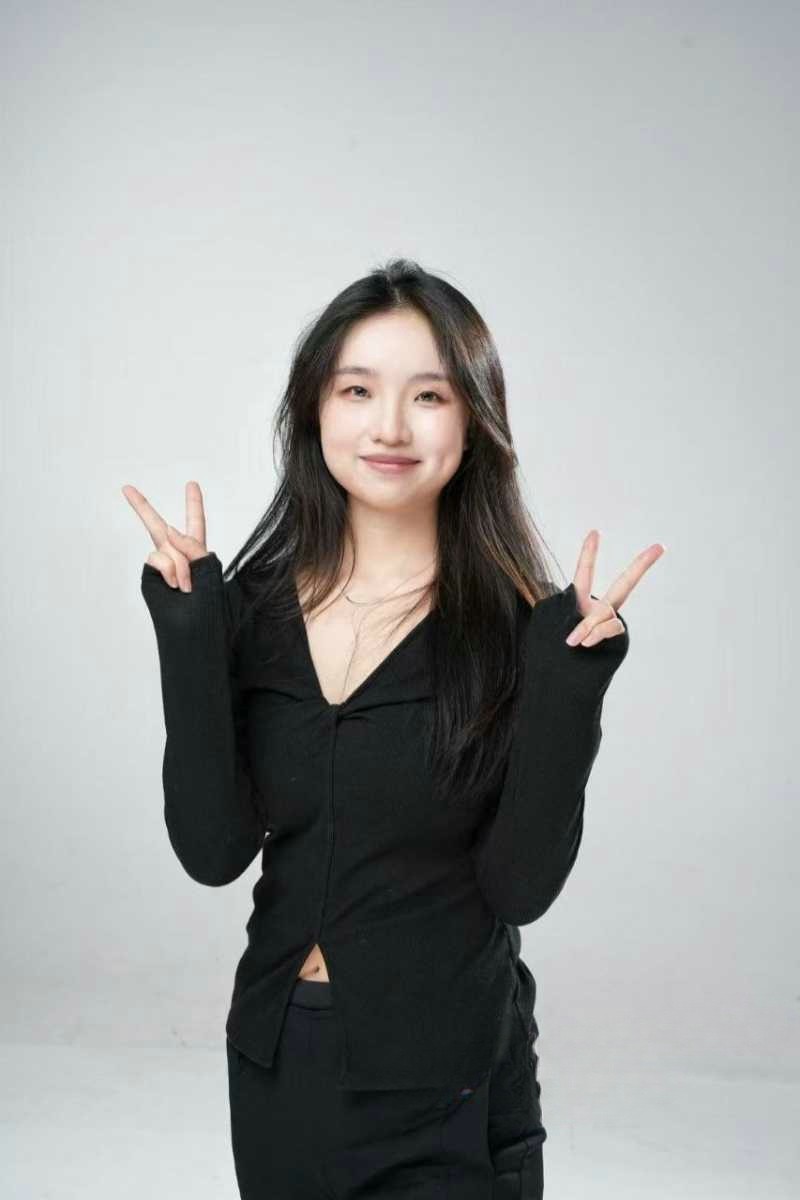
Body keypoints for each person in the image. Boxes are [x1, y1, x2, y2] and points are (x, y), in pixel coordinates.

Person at [123, 258, 662, 1198]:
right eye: (358, 390)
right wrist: (190, 634)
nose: (390, 427)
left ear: (475, 421)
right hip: (280, 1067)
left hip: (450, 1081)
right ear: (314, 410)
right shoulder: (252, 610)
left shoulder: (519, 630)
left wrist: (570, 688)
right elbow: (212, 851)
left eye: (430, 396)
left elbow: (520, 887)